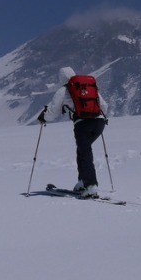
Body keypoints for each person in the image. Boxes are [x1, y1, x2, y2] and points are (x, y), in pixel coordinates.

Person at [37, 67, 109, 198]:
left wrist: (43, 117)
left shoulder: (63, 90)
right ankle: (82, 181)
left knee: (85, 152)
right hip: (99, 123)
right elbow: (104, 106)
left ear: (61, 78)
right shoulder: (88, 86)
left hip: (82, 124)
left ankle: (90, 186)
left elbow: (53, 113)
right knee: (82, 151)